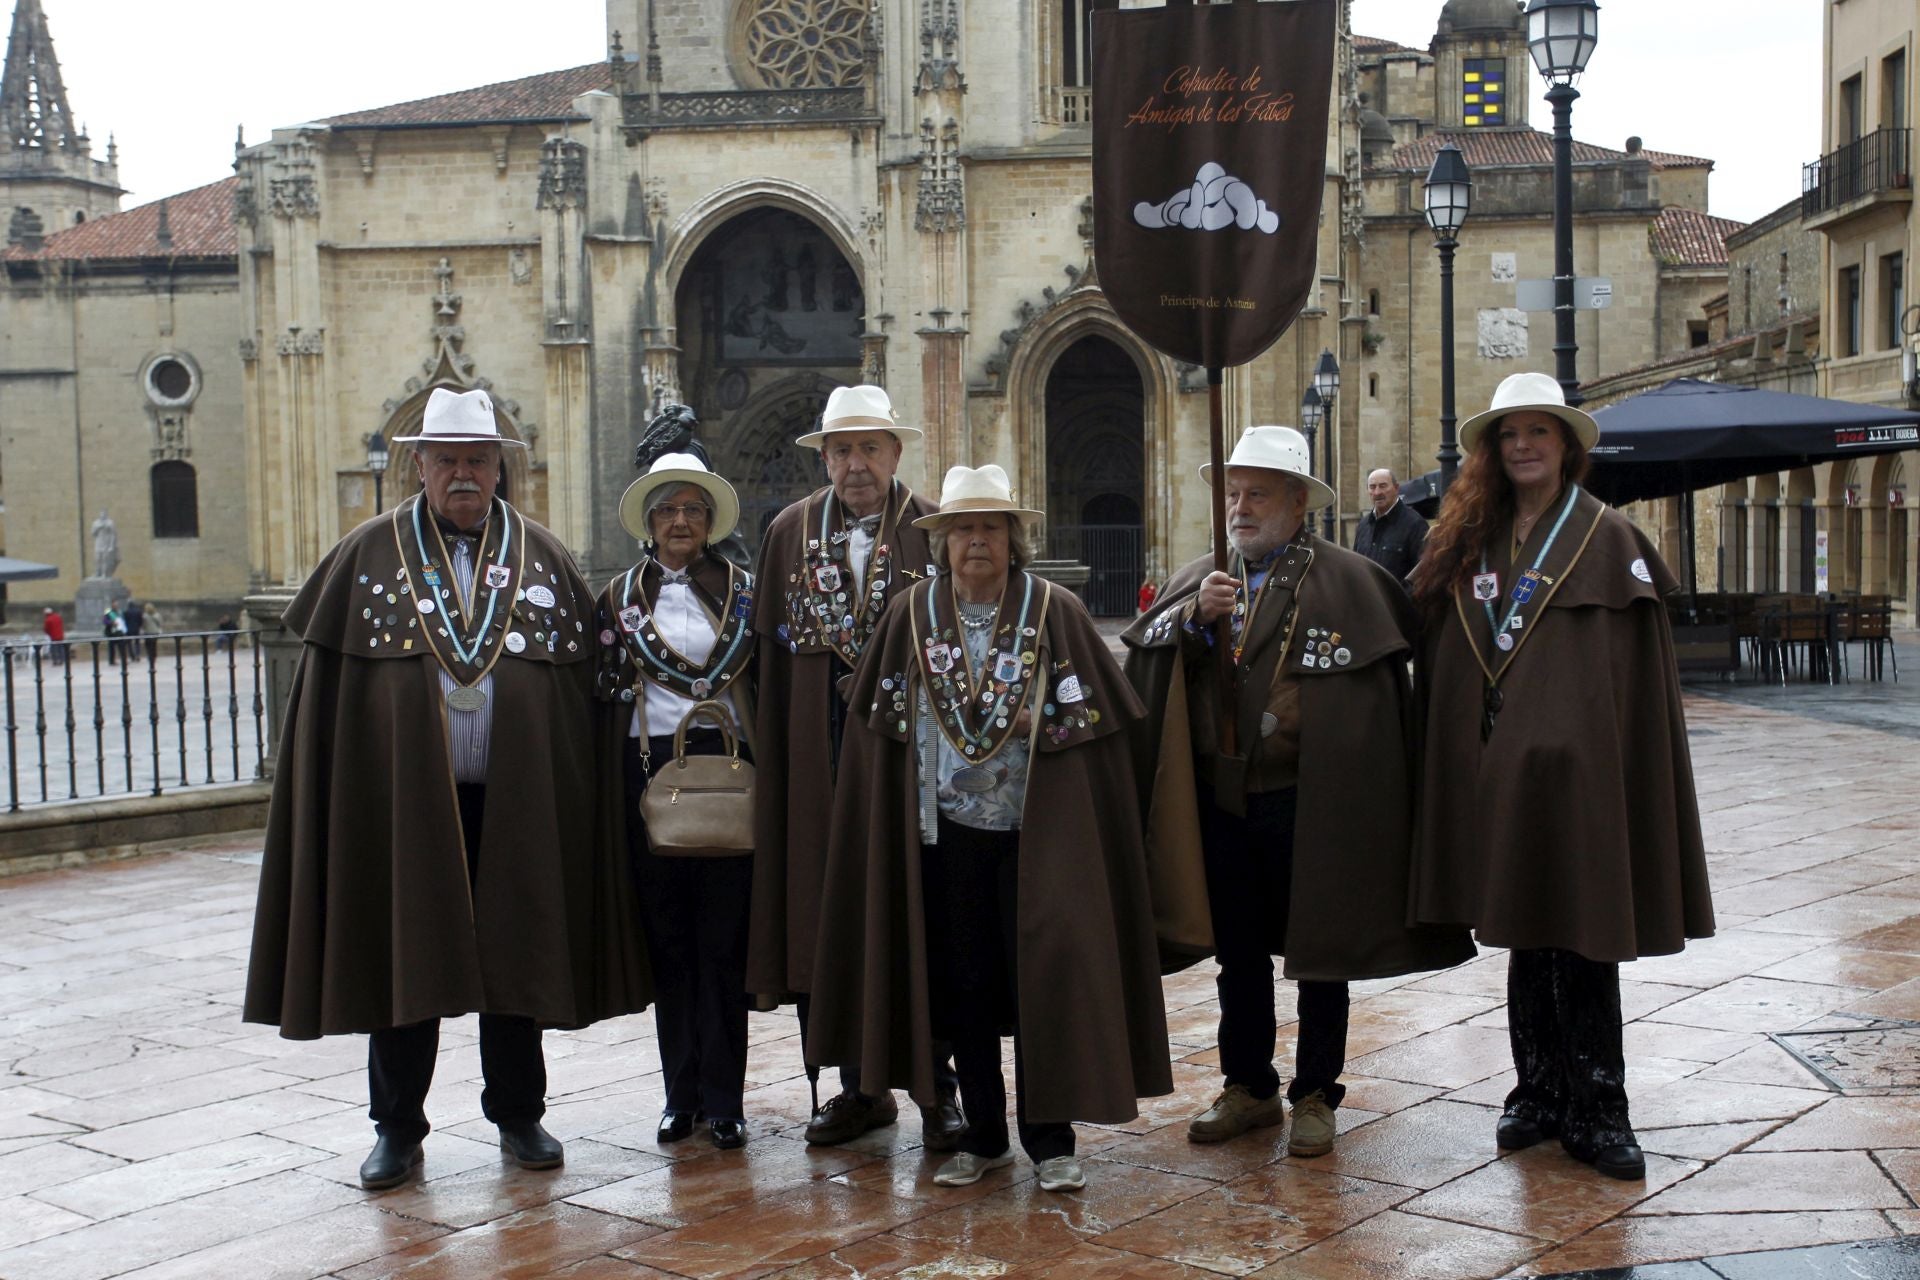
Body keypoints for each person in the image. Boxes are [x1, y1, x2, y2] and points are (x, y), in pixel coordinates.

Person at [243, 386, 650, 1191]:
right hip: (402, 802)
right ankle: (397, 1129)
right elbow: (330, 706)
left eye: (478, 460)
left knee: (519, 949)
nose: (463, 475)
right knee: (407, 954)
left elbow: (586, 693)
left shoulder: (544, 557)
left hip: (518, 797)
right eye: (447, 461)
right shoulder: (367, 557)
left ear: (500, 467)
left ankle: (520, 1113)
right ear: (419, 466)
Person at [806, 464, 1172, 1192]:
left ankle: (1052, 1141)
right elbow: (876, 718)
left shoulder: (1054, 609)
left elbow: (1102, 712)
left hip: (1038, 837)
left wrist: (1045, 723)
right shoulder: (913, 613)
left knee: (1044, 982)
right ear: (940, 543)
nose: (977, 541)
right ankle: (983, 1134)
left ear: (1014, 539)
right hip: (942, 836)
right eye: (964, 529)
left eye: (992, 528)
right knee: (964, 987)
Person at [1124, 426, 1472, 1158]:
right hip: (1224, 801)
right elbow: (1149, 661)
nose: (1240, 507)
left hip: (1312, 799)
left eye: (1257, 494)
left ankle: (1315, 1092)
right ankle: (1247, 1087)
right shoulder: (1202, 578)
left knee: (1324, 949)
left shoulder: (1347, 579)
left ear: (1296, 502)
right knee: (1239, 953)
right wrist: (1195, 620)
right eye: (1233, 493)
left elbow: (1387, 693)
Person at [1408, 372, 1714, 1181]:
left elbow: (1632, 677)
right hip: (1496, 773)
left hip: (1581, 779)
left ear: (1567, 447)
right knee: (1524, 930)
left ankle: (1601, 1105)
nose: (1523, 447)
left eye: (1539, 433)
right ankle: (1537, 1092)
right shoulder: (1469, 539)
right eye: (1510, 434)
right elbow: (1437, 648)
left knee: (1584, 937)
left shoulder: (1608, 538)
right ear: (1491, 450)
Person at [747, 384, 964, 1150]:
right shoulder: (786, 532)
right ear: (825, 460)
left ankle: (938, 1090)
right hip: (818, 757)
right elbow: (766, 661)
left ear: (897, 453)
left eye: (870, 447)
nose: (856, 464)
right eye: (841, 450)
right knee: (822, 912)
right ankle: (856, 1090)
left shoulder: (935, 529)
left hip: (909, 763)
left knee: (918, 920)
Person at [596, 451, 757, 1151]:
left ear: (711, 520)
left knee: (724, 942)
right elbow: (598, 688)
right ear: (650, 523)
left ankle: (726, 1100)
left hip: (730, 770)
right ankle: (679, 1095)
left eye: (693, 509)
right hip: (650, 773)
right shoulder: (618, 599)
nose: (681, 521)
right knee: (669, 940)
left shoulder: (747, 593)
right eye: (668, 510)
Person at [1353, 468, 1427, 584]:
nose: (1377, 492)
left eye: (1383, 486)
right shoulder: (1363, 525)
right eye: (1372, 487)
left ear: (1396, 488)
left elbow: (1423, 573)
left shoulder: (1415, 524)